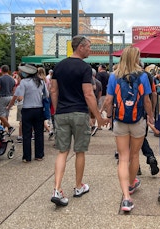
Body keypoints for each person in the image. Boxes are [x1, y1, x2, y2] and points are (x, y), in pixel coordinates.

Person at [50, 35, 107, 207]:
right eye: (89, 47)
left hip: (62, 113)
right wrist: (97, 116)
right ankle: (78, 186)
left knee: (62, 151)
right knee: (80, 151)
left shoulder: (58, 66)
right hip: (80, 113)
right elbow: (88, 94)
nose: (90, 50)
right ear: (80, 47)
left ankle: (57, 189)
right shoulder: (85, 68)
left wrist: (57, 110)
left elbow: (53, 90)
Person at [101, 46, 154, 212]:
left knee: (123, 158)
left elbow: (109, 100)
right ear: (136, 58)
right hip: (138, 120)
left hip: (120, 120)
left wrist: (108, 115)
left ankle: (126, 198)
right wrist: (151, 117)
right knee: (134, 155)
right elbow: (146, 100)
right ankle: (132, 183)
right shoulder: (143, 76)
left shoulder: (114, 76)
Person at [17, 64, 47, 162]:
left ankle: (27, 156)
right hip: (39, 109)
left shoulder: (24, 82)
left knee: (27, 134)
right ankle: (39, 155)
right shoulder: (41, 82)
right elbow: (46, 95)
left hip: (27, 109)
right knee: (39, 133)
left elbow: (20, 97)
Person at [0, 65, 16, 134]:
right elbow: (14, 90)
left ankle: (9, 127)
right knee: (6, 114)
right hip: (10, 97)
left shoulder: (0, 79)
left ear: (2, 70)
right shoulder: (12, 79)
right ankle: (3, 130)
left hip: (3, 97)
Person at [90, 68, 102, 136]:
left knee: (87, 114)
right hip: (95, 100)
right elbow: (100, 92)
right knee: (93, 116)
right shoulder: (98, 82)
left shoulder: (88, 81)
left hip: (88, 100)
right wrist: (97, 99)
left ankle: (91, 127)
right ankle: (93, 127)